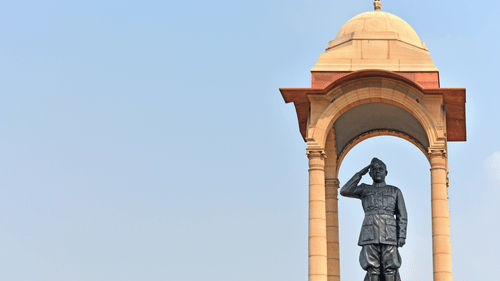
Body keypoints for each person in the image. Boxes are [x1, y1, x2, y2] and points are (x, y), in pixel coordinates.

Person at [340, 158, 407, 281]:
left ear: (386, 173)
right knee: (372, 268)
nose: (377, 172)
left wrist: (401, 235)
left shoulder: (395, 191)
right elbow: (345, 191)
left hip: (390, 234)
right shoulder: (364, 189)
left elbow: (402, 215)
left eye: (380, 169)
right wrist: (360, 173)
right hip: (369, 232)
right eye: (374, 170)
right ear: (370, 173)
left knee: (390, 267)